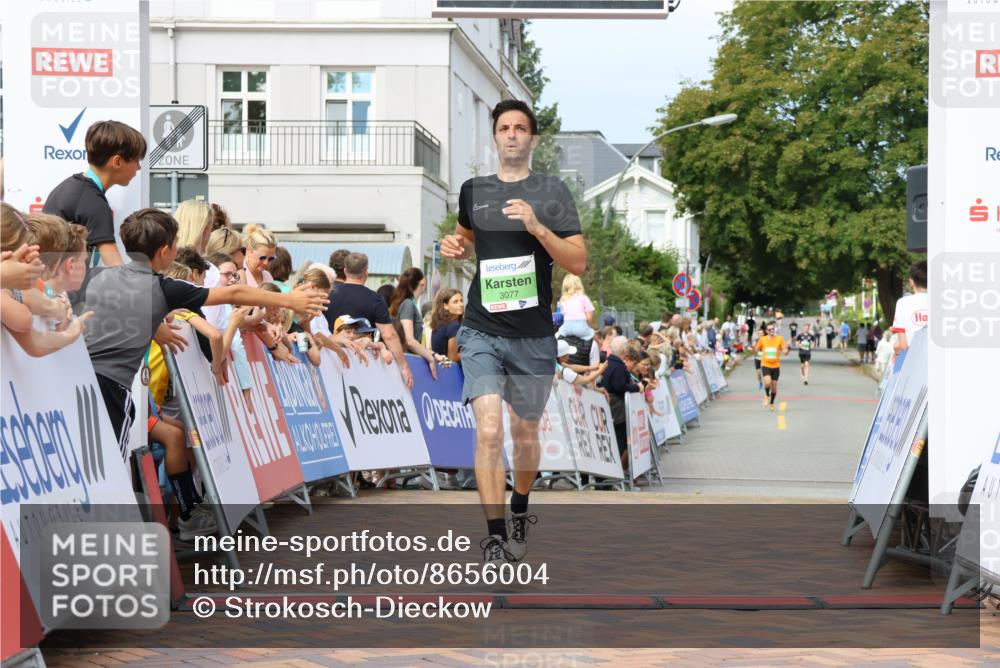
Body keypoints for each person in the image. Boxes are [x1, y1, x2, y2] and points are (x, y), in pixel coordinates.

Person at [439, 99, 586, 564]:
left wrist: (538, 227)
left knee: (524, 434)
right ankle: (496, 537)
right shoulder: (473, 190)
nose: (511, 135)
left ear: (532, 139)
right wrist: (455, 247)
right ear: (495, 136)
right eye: (504, 127)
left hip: (533, 336)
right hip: (481, 328)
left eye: (521, 128)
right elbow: (464, 238)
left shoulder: (552, 192)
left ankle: (520, 506)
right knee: (487, 431)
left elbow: (578, 262)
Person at [82, 208, 328, 454]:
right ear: (165, 251)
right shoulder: (163, 288)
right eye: (176, 243)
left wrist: (153, 326)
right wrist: (289, 301)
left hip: (82, 379)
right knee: (111, 462)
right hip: (113, 386)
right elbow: (233, 293)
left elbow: (116, 308)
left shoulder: (101, 277)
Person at [42, 120, 146, 271]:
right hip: (61, 288)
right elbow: (115, 266)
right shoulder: (95, 204)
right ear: (117, 162)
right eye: (137, 160)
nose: (138, 167)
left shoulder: (71, 187)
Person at [324, 252, 413, 389]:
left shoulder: (328, 294)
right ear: (366, 272)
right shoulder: (375, 299)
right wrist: (404, 367)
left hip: (328, 361)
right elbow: (389, 335)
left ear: (345, 270)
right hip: (361, 366)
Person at [389, 267, 445, 378]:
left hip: (413, 361)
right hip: (410, 363)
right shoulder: (408, 304)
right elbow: (409, 340)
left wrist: (432, 354)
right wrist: (431, 356)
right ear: (423, 281)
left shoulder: (410, 304)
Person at [601, 336, 644, 469]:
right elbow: (620, 387)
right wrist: (637, 387)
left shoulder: (610, 362)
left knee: (618, 442)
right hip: (617, 411)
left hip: (613, 409)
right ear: (625, 350)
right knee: (619, 442)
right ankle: (612, 474)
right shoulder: (618, 366)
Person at [892, 259, 928, 357]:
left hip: (913, 363)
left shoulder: (903, 303)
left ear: (911, 282)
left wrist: (896, 350)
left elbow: (903, 345)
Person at [753, 321, 788, 411]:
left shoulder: (780, 339)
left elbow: (785, 351)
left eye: (773, 328)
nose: (772, 330)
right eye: (770, 329)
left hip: (776, 366)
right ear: (766, 331)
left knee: (774, 387)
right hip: (766, 364)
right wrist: (756, 352)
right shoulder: (762, 339)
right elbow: (756, 350)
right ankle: (766, 395)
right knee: (767, 382)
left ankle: (772, 402)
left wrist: (787, 350)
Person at [556, 274, 595, 340]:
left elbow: (563, 315)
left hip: (567, 327)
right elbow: (589, 317)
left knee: (558, 334)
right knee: (592, 333)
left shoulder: (563, 300)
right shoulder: (583, 298)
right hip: (581, 327)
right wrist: (590, 327)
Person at [430, 288, 464, 362]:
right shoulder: (454, 326)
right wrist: (469, 354)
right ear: (446, 306)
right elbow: (452, 357)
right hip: (451, 370)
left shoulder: (438, 324)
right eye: (455, 302)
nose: (461, 304)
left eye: (461, 300)